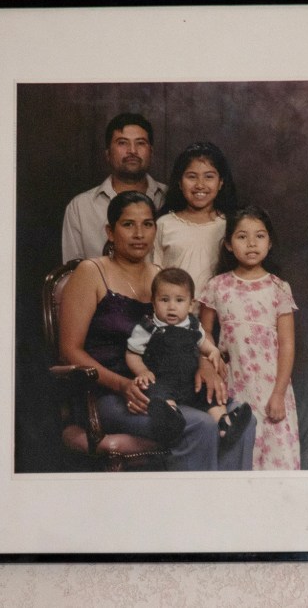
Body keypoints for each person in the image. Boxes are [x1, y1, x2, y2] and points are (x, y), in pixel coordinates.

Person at [58, 191, 255, 471]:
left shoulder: (161, 275)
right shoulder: (91, 273)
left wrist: (204, 363)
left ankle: (224, 508)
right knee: (199, 425)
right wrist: (122, 385)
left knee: (241, 419)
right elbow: (69, 350)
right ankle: (190, 511)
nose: (139, 233)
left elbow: (188, 329)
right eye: (128, 224)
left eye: (148, 224)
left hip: (168, 387)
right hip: (109, 394)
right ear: (110, 232)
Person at [198, 206, 300, 470]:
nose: (252, 243)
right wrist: (211, 362)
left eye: (260, 236)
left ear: (270, 242)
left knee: (276, 457)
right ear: (229, 245)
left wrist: (278, 393)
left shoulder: (278, 287)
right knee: (239, 451)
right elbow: (202, 332)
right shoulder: (217, 285)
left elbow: (287, 345)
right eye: (242, 237)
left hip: (271, 386)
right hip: (233, 382)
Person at [125, 267, 252, 447]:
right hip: (161, 381)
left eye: (179, 300)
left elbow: (204, 345)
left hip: (190, 382)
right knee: (156, 394)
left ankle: (224, 423)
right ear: (153, 303)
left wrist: (213, 352)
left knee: (210, 395)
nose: (171, 307)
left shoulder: (192, 324)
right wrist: (143, 371)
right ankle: (171, 420)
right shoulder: (148, 326)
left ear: (190, 304)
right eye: (164, 300)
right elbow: (132, 354)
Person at [61, 113, 167, 262]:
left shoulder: (171, 197)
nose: (132, 151)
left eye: (140, 143)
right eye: (122, 143)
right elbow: (71, 275)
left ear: (152, 152)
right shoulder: (80, 207)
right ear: (107, 154)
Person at [154, 142, 238, 301]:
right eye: (191, 176)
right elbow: (153, 276)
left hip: (220, 315)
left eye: (209, 177)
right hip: (174, 316)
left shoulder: (231, 226)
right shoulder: (164, 224)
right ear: (179, 182)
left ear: (220, 182)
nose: (200, 185)